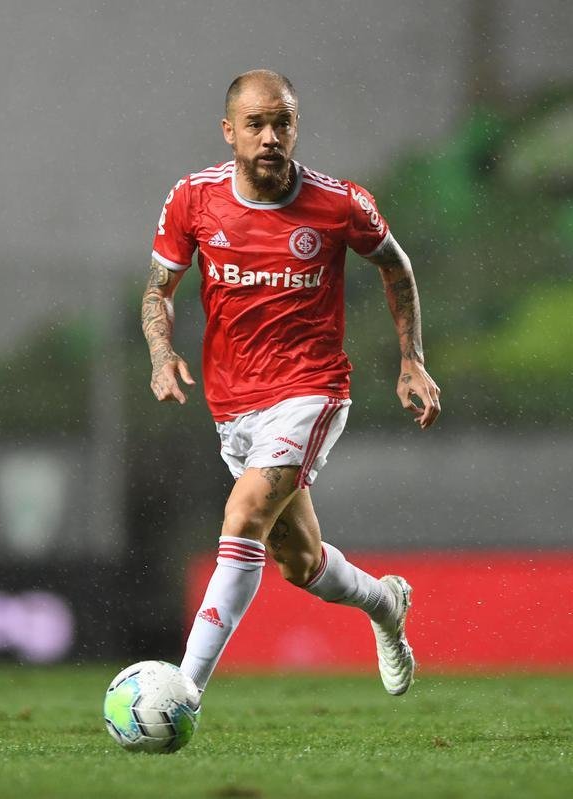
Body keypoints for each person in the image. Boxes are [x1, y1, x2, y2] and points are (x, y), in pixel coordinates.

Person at [141, 70, 441, 699]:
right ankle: (385, 604)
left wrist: (411, 359)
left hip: (311, 389)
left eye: (283, 122)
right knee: (300, 563)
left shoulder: (339, 204)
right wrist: (161, 352)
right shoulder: (193, 199)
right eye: (256, 124)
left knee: (243, 514)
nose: (271, 136)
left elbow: (397, 268)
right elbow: (158, 291)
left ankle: (183, 691)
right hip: (233, 406)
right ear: (229, 132)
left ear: (295, 126)